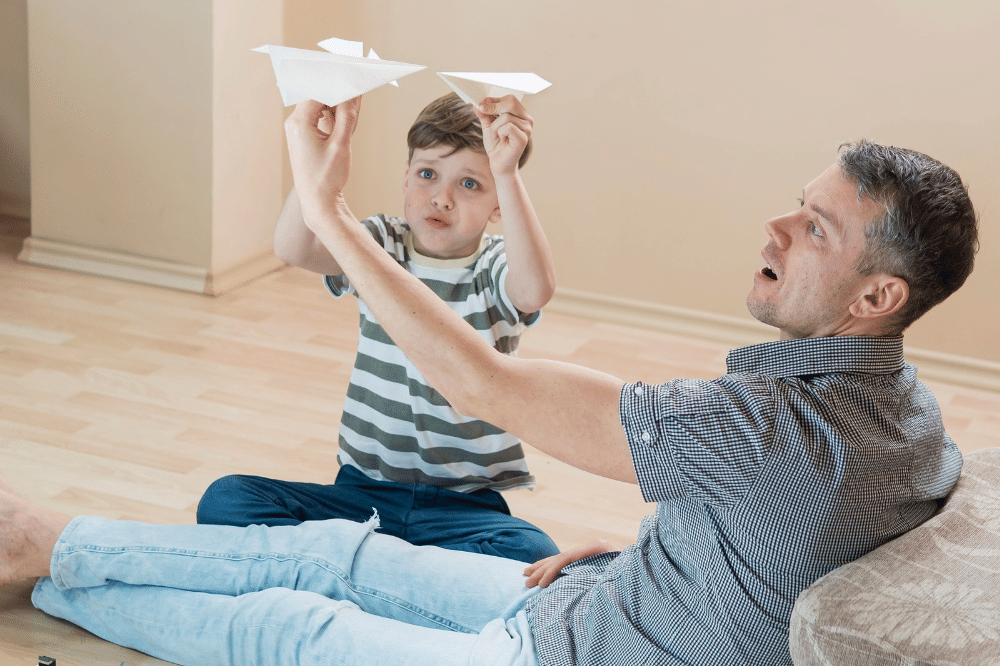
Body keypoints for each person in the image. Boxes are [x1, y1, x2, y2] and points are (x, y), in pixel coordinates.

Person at [0, 96, 980, 666]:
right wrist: (663, 545)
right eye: (794, 204)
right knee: (337, 552)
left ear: (875, 295)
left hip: (550, 656)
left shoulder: (767, 425)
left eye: (813, 227)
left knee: (289, 627)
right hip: (597, 600)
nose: (773, 227)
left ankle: (47, 566)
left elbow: (478, 382)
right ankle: (53, 540)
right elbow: (803, 538)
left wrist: (322, 199)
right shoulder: (913, 419)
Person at [195, 93, 560, 564]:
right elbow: (293, 248)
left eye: (470, 183)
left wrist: (507, 172)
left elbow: (534, 291)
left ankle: (356, 568)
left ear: (497, 208)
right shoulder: (379, 243)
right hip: (361, 496)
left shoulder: (495, 267)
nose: (442, 197)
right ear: (405, 177)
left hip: (464, 507)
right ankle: (393, 574)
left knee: (531, 553)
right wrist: (322, 173)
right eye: (427, 174)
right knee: (226, 499)